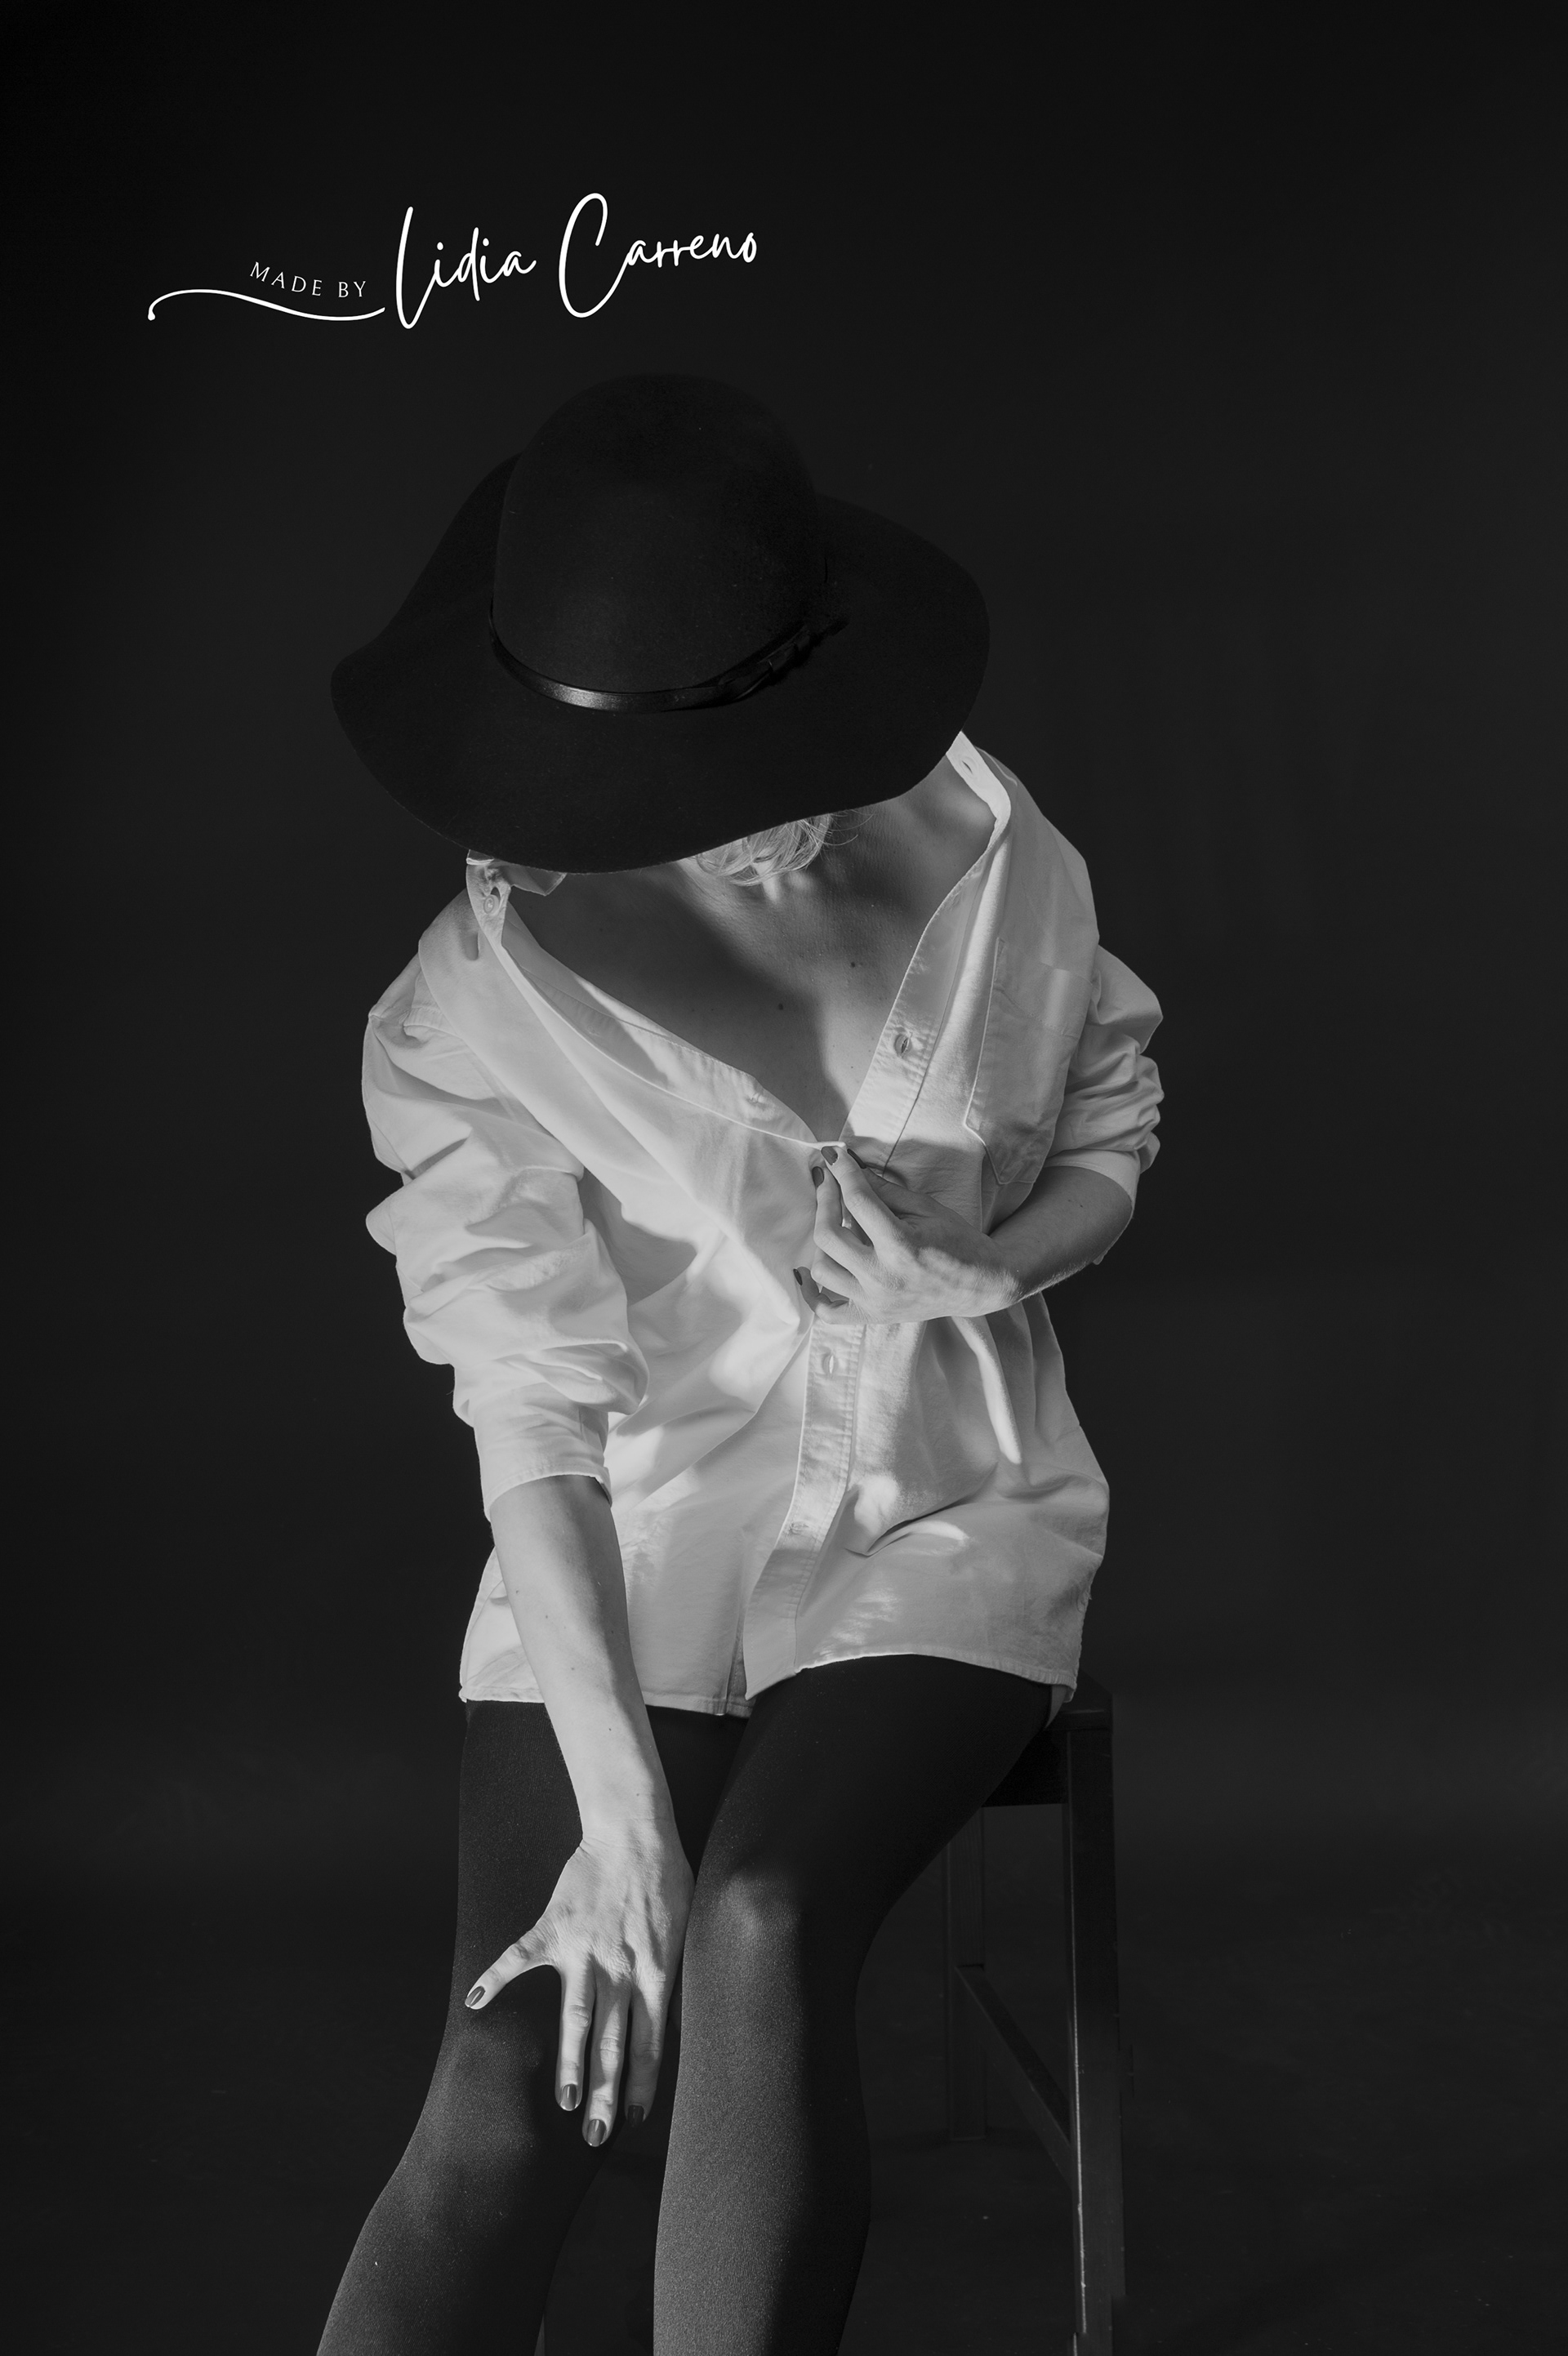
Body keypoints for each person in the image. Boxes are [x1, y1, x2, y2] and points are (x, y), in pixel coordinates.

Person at [318, 374, 1162, 2354]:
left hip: (948, 1514)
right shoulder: (469, 1012)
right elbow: (531, 1411)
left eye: (798, 746)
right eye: (712, 776)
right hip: (641, 1535)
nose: (783, 806)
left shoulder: (991, 847)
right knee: (519, 2051)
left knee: (760, 1926)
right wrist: (618, 1819)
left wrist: (986, 1264)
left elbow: (1112, 1116)